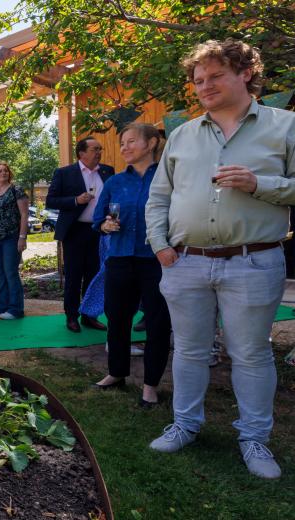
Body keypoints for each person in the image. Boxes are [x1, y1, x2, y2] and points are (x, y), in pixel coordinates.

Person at [145, 39, 295, 480]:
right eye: (198, 80)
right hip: (184, 262)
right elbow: (159, 199)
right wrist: (160, 246)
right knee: (189, 351)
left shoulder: (285, 126)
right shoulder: (181, 134)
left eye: (215, 76)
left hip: (253, 260)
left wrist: (260, 184)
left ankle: (254, 439)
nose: (204, 86)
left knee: (250, 354)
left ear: (245, 72)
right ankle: (185, 425)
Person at [91, 123, 172, 408]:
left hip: (156, 261)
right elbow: (97, 221)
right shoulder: (114, 182)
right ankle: (116, 372)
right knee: (117, 318)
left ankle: (150, 385)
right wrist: (105, 224)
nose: (124, 147)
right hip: (120, 259)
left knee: (157, 322)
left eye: (130, 142)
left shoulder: (167, 176)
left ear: (151, 143)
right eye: (122, 143)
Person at [46, 137, 115, 332]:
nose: (99, 152)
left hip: (100, 231)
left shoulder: (107, 171)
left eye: (100, 149)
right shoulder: (65, 173)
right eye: (95, 149)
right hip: (75, 231)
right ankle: (71, 316)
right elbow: (51, 200)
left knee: (94, 275)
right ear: (81, 153)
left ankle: (89, 315)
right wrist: (76, 200)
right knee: (74, 275)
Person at [0, 161, 29, 319]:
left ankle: (16, 309)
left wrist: (22, 237)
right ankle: (2, 306)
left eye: (5, 171)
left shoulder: (16, 190)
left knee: (10, 272)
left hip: (11, 237)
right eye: (0, 171)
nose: (3, 173)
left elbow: (24, 215)